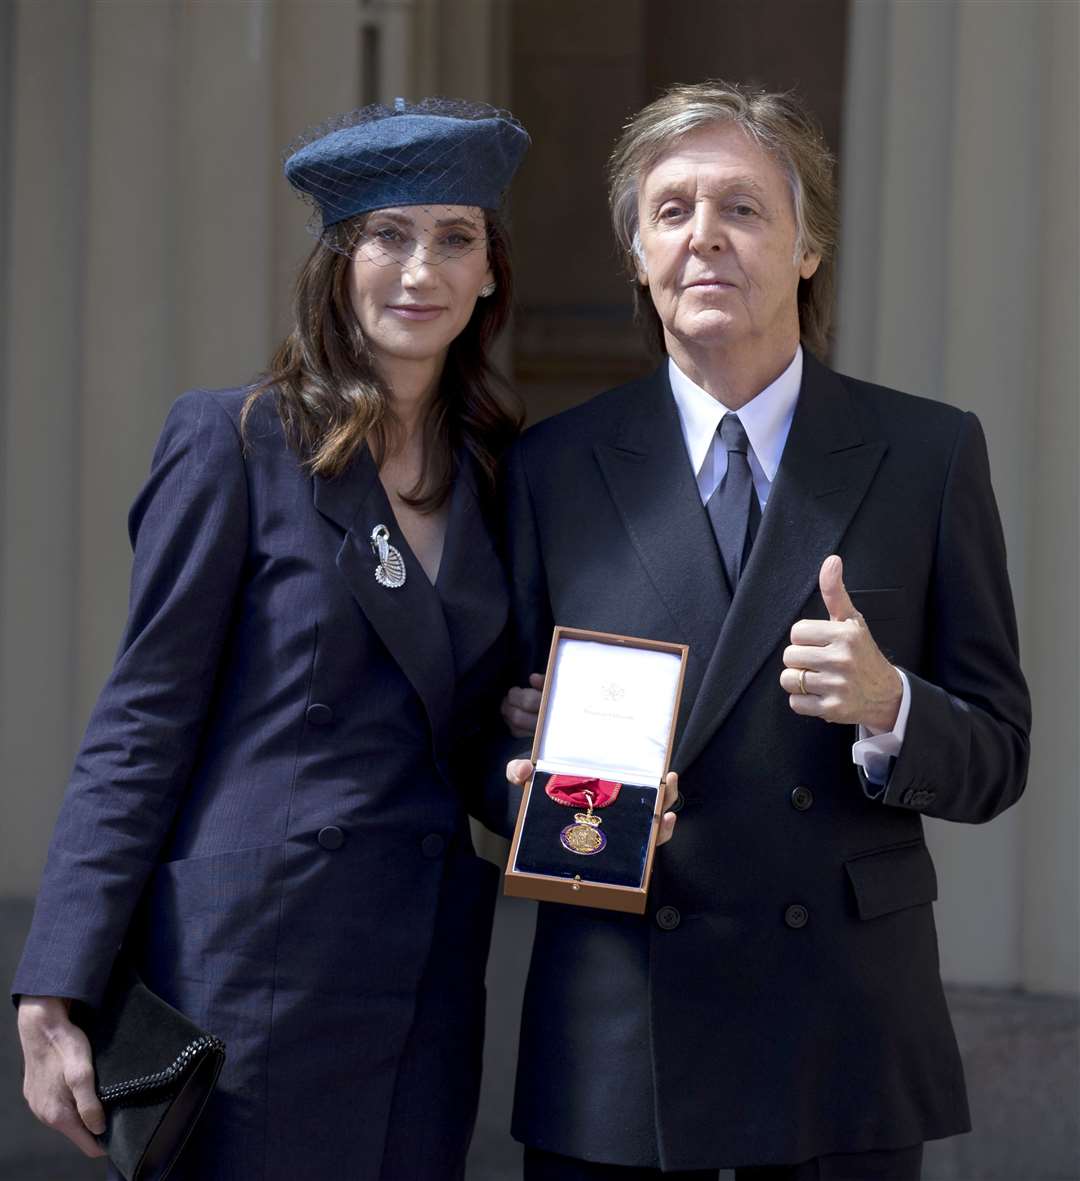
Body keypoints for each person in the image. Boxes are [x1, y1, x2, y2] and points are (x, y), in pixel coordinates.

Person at [500, 81, 1030, 1181]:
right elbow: (478, 735)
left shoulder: (926, 455)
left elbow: (999, 756)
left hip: (839, 1039)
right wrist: (536, 783)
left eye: (741, 207)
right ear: (640, 256)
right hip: (622, 1035)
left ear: (808, 245)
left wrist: (893, 707)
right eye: (672, 211)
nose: (704, 238)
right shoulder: (553, 465)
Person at [15, 97, 531, 1181]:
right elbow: (142, 718)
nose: (419, 268)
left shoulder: (502, 472)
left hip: (423, 968)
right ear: (338, 262)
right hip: (256, 968)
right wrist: (55, 985)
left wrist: (528, 755)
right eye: (388, 235)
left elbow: (461, 734)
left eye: (455, 237)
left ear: (489, 271)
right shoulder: (238, 438)